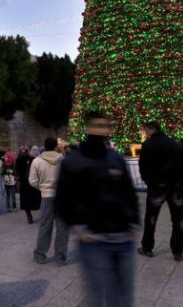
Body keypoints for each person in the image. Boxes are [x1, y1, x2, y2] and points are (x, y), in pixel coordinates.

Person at [55, 111, 139, 307]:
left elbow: (129, 193)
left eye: (105, 126)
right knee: (96, 295)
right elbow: (63, 199)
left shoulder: (116, 159)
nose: (102, 130)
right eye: (97, 126)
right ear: (87, 128)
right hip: (94, 241)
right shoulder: (73, 161)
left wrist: (133, 223)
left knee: (124, 295)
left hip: (123, 238)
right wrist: (80, 228)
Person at [137, 121, 183, 261]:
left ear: (151, 129)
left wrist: (150, 182)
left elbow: (143, 167)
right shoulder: (175, 143)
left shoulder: (148, 144)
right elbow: (182, 164)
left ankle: (147, 248)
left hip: (157, 186)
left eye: (146, 130)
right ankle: (178, 251)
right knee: (178, 220)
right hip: (175, 186)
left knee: (151, 218)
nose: (145, 133)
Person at [30, 137, 69, 266]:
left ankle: (40, 255)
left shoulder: (37, 161)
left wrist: (42, 187)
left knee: (45, 226)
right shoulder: (62, 160)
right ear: (55, 146)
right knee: (62, 227)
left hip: (46, 196)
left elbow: (32, 180)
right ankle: (60, 257)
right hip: (62, 197)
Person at [15, 146, 41, 224]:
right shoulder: (39, 160)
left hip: (25, 182)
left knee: (27, 200)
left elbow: (17, 170)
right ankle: (38, 215)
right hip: (34, 183)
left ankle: (29, 215)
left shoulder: (21, 158)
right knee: (37, 199)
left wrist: (18, 178)